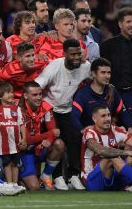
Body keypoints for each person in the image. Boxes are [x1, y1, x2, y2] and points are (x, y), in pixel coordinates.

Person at [35, 38, 91, 190]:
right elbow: (36, 86)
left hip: (67, 110)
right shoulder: (54, 67)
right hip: (50, 110)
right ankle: (57, 177)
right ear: (64, 53)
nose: (76, 57)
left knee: (76, 137)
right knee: (57, 142)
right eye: (72, 54)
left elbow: (95, 78)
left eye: (78, 53)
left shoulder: (85, 67)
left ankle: (74, 176)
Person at [81, 105, 132, 192]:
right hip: (92, 181)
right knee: (112, 156)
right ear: (94, 119)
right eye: (103, 116)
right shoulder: (89, 133)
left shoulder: (116, 130)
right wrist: (127, 153)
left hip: (111, 179)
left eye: (109, 115)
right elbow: (101, 151)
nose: (107, 119)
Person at [18, 82, 65, 191]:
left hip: (38, 148)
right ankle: (20, 179)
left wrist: (50, 139)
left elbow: (54, 131)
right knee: (34, 187)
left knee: (59, 144)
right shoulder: (19, 110)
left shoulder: (45, 107)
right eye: (34, 95)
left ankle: (45, 176)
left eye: (40, 94)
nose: (39, 97)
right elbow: (27, 140)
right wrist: (49, 134)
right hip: (24, 152)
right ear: (25, 96)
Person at [71, 58, 132, 132]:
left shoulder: (112, 91)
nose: (107, 76)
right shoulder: (83, 94)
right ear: (93, 74)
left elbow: (123, 111)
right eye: (103, 72)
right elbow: (74, 117)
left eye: (109, 73)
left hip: (109, 134)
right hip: (91, 136)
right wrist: (82, 130)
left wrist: (130, 127)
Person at [100, 7, 132, 93]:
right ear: (120, 24)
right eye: (128, 22)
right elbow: (102, 73)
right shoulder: (107, 45)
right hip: (115, 94)